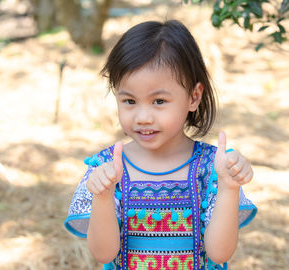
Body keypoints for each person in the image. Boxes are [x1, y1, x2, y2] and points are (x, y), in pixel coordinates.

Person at [64, 20, 257, 270]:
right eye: (130, 101)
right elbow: (103, 253)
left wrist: (228, 189)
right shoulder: (106, 168)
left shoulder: (212, 170)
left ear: (193, 97)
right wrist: (103, 196)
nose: (143, 116)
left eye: (159, 101)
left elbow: (219, 254)